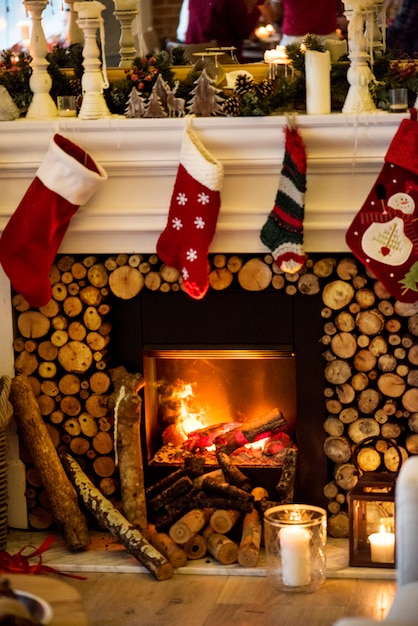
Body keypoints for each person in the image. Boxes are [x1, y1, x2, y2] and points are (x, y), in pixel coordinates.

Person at [185, 0, 266, 61]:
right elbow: (244, 31)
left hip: (194, 56)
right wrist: (258, 7)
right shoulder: (232, 2)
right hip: (223, 60)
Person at [268, 0, 346, 46]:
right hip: (328, 36)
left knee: (290, 72)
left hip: (294, 37)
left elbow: (276, 7)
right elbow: (343, 5)